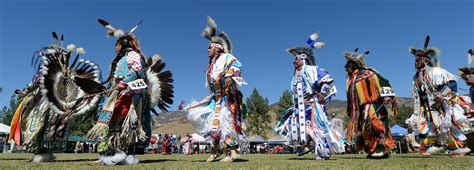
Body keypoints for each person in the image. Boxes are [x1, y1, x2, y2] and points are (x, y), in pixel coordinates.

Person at [91, 19, 174, 165]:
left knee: (127, 124)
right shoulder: (119, 59)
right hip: (119, 92)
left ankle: (126, 153)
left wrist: (124, 82)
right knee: (111, 123)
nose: (115, 47)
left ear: (122, 44)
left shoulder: (133, 55)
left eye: (116, 44)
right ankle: (110, 152)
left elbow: (137, 70)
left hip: (130, 93)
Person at [9, 33, 102, 162]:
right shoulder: (49, 70)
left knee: (49, 127)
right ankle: (40, 150)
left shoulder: (66, 73)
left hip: (56, 105)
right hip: (45, 102)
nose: (63, 59)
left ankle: (44, 151)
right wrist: (26, 91)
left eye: (64, 57)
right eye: (61, 57)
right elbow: (36, 82)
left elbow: (73, 87)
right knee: (39, 125)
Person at [183, 16, 247, 163]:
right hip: (216, 99)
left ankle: (232, 152)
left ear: (218, 48)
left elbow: (237, 66)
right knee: (211, 124)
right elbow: (211, 88)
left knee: (226, 122)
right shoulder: (210, 66)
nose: (207, 50)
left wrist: (230, 76)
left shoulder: (226, 57)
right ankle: (216, 150)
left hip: (228, 97)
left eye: (210, 47)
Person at [274, 33, 345, 160]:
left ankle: (324, 152)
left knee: (317, 128)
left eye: (296, 59)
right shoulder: (296, 75)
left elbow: (327, 80)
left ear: (303, 59)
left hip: (312, 105)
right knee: (300, 127)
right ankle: (307, 145)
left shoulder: (312, 69)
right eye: (294, 59)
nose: (293, 61)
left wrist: (323, 93)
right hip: (299, 107)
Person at [406, 36, 471, 157]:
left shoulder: (436, 72)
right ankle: (433, 147)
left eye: (418, 60)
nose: (415, 62)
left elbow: (452, 84)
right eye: (415, 60)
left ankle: (457, 148)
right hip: (426, 107)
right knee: (430, 126)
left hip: (440, 105)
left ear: (425, 60)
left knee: (446, 126)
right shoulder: (416, 77)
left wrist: (442, 95)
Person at [344, 48, 398, 158]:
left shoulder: (369, 74)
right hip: (363, 109)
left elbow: (384, 82)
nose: (348, 69)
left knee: (375, 127)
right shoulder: (351, 81)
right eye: (347, 67)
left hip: (374, 105)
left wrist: (386, 95)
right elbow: (351, 100)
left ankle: (381, 148)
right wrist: (351, 110)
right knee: (364, 130)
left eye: (350, 66)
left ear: (356, 65)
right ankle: (372, 150)